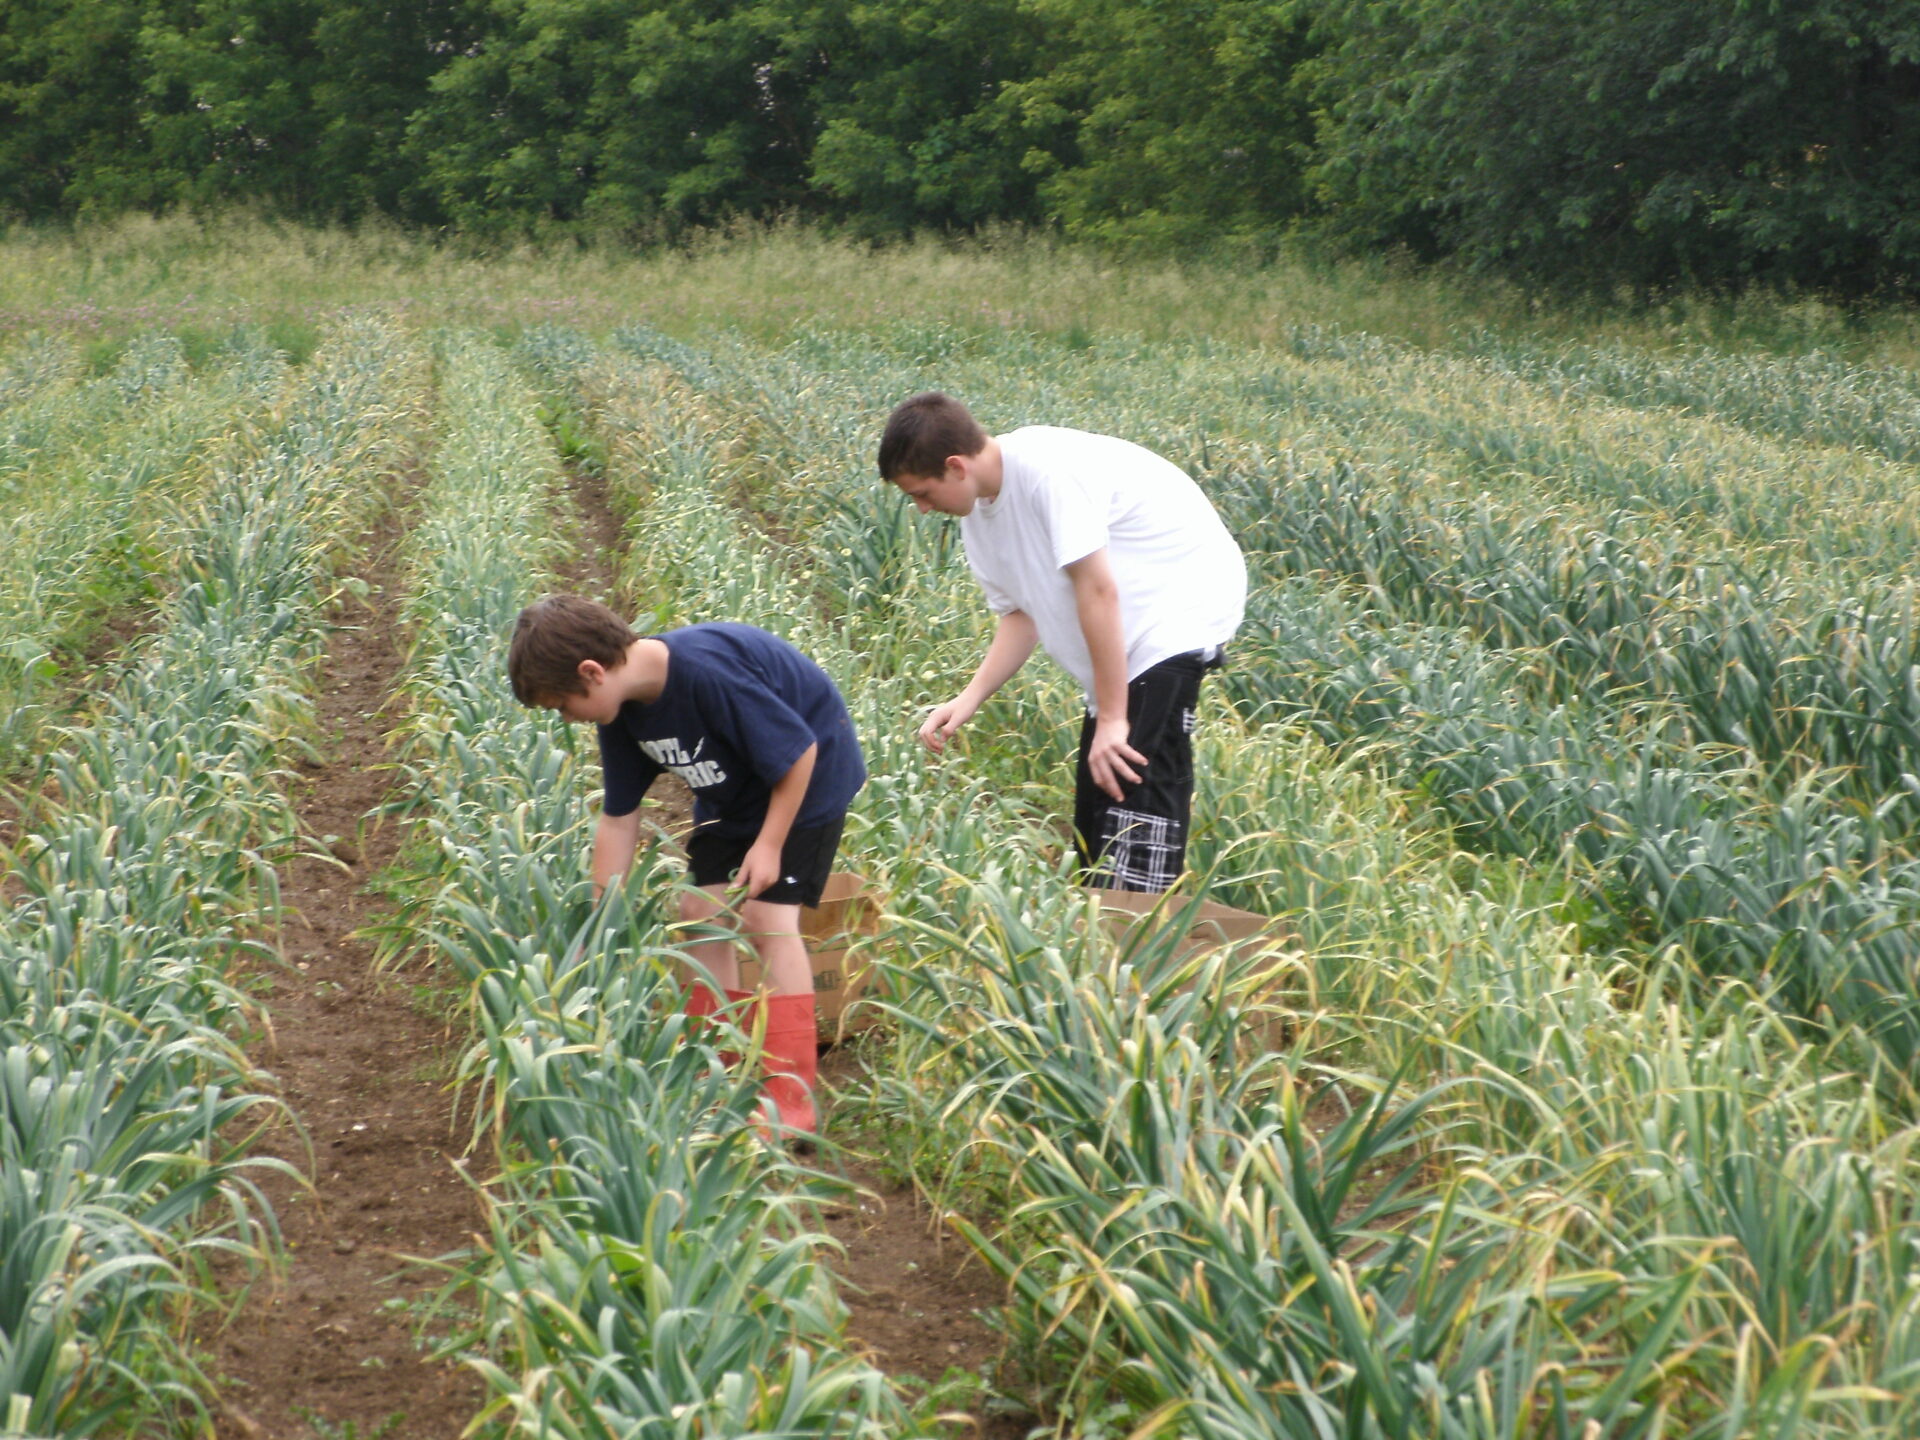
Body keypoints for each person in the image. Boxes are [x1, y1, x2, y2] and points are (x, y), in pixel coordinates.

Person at [506, 593, 865, 1137]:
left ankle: (791, 1101)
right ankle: (717, 1073)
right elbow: (619, 820)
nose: (565, 717)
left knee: (768, 920)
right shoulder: (622, 715)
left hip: (806, 782)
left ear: (592, 672)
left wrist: (768, 846)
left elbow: (798, 753)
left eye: (561, 705)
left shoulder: (704, 673)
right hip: (734, 796)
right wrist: (603, 918)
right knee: (699, 914)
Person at [879, 392, 1245, 893]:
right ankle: (1102, 943)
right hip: (1127, 647)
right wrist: (968, 698)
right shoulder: (980, 516)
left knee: (1134, 803)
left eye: (921, 492)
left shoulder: (1048, 470)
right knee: (1095, 821)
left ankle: (1144, 950)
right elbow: (1020, 615)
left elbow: (1098, 589)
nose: (921, 509)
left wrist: (1114, 718)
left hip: (1176, 615)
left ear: (956, 466)